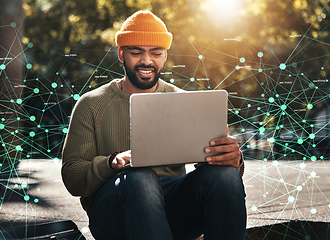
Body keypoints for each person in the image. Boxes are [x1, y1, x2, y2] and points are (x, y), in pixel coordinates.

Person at [62, 10, 246, 240]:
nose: (147, 61)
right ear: (121, 54)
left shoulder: (183, 101)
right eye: (136, 52)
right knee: (141, 177)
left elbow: (217, 170)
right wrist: (111, 163)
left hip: (174, 210)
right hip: (114, 212)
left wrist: (232, 160)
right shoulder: (91, 104)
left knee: (226, 177)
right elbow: (72, 177)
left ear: (165, 56)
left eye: (156, 53)